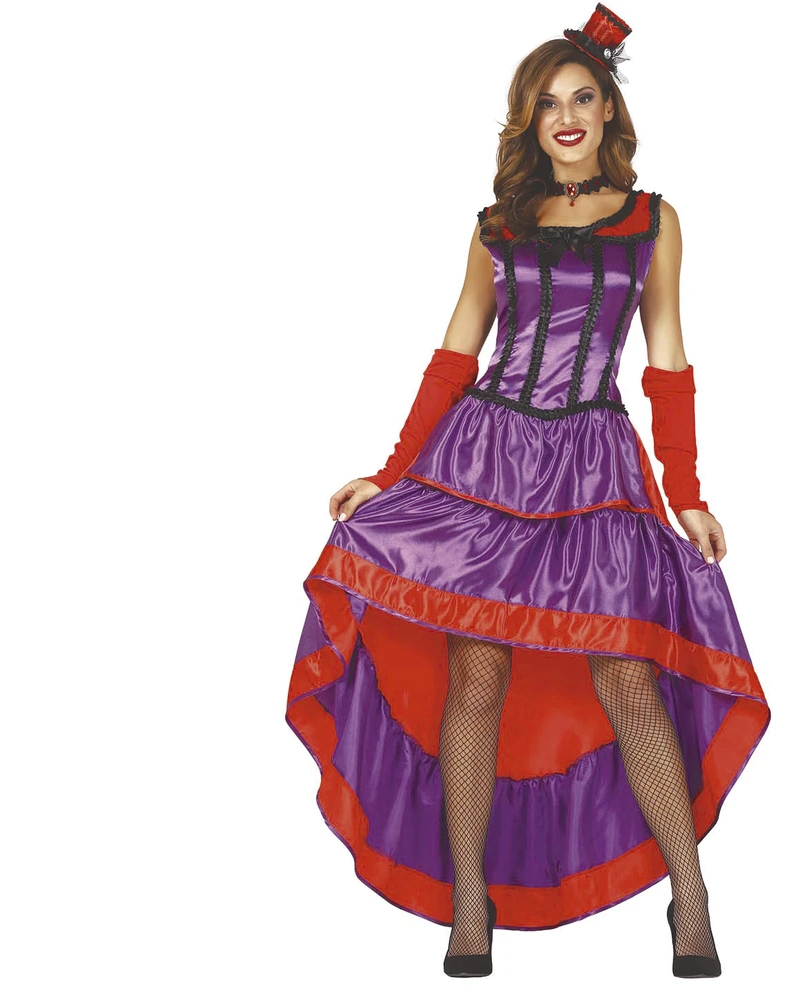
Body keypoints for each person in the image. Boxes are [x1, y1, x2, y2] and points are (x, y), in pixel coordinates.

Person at [286, 4, 770, 980]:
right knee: (476, 678)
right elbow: (454, 356)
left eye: (582, 98)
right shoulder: (495, 225)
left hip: (594, 468)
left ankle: (691, 893)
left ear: (607, 110)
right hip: (483, 464)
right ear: (528, 119)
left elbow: (666, 363)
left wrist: (685, 491)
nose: (567, 117)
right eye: (548, 103)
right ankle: (470, 902)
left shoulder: (653, 220)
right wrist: (391, 472)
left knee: (626, 676)